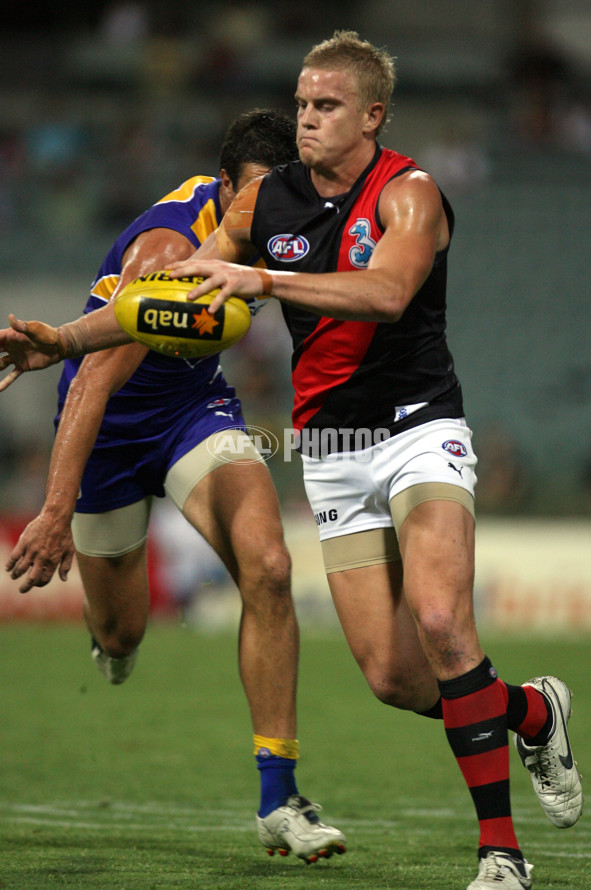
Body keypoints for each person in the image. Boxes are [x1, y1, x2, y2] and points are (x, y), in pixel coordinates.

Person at [0, 34, 583, 888]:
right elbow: (172, 294)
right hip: (335, 452)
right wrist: (66, 338)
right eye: (303, 105)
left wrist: (266, 284)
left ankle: (502, 856)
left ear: (372, 115)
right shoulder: (266, 201)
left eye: (327, 107)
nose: (307, 120)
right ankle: (533, 711)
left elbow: (386, 295)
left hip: (421, 429)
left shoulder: (410, 194)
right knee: (391, 677)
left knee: (442, 623)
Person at [0, 109, 346, 864]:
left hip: (194, 409)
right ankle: (110, 639)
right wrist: (55, 510)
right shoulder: (170, 246)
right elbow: (94, 375)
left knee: (272, 567)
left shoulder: (284, 222)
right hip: (108, 428)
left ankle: (279, 797)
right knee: (123, 633)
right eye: (256, 196)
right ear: (224, 187)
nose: (269, 213)